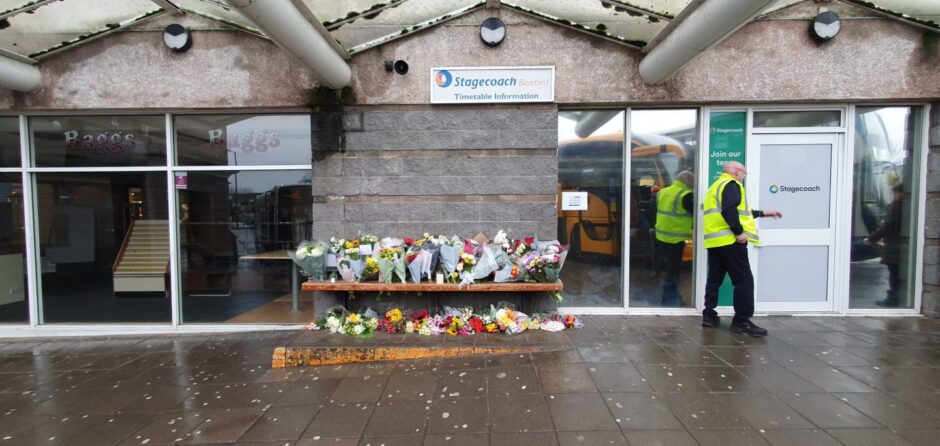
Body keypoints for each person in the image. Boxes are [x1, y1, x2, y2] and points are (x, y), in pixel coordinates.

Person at [702, 162, 782, 337]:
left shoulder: (716, 186)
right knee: (744, 280)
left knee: (715, 278)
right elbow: (729, 210)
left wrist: (762, 213)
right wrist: (739, 233)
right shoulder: (731, 185)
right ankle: (741, 320)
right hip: (730, 241)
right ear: (737, 172)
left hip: (716, 242)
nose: (744, 177)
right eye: (744, 174)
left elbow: (738, 211)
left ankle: (709, 314)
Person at [654, 170, 694, 307]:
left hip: (661, 236)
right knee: (673, 270)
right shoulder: (686, 195)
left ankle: (668, 296)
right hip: (675, 238)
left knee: (669, 268)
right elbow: (696, 213)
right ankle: (669, 299)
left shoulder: (663, 192)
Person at [864, 184, 904, 307]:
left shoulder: (895, 207)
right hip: (901, 247)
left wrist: (871, 239)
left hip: (894, 247)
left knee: (894, 274)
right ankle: (898, 297)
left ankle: (892, 298)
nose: (894, 195)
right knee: (897, 274)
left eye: (895, 193)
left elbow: (887, 227)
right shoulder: (908, 207)